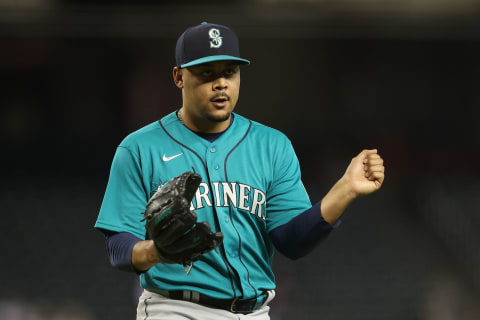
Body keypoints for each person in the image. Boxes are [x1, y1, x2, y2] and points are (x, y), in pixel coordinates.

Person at [94, 22, 385, 320]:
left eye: (229, 72)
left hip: (255, 313)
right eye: (207, 73)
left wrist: (345, 189)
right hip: (175, 309)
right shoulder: (139, 148)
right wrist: (158, 251)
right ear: (179, 76)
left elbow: (293, 241)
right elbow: (119, 248)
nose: (221, 83)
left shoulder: (272, 145)